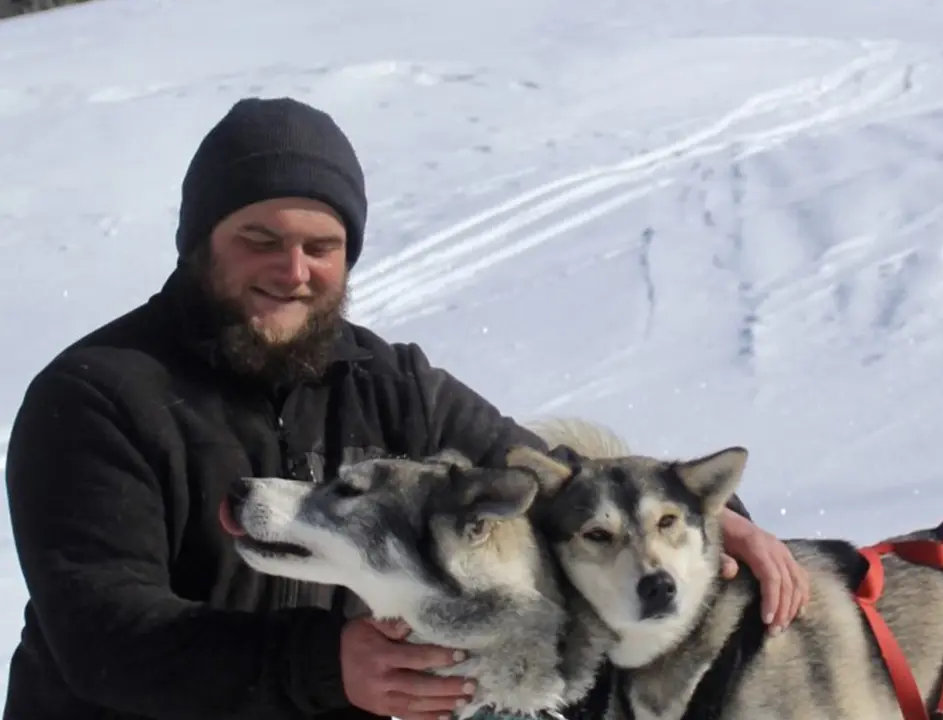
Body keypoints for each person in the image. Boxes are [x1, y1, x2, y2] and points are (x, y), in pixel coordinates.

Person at [1, 96, 810, 720]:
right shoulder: (98, 398)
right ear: (199, 241)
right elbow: (104, 634)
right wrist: (324, 666)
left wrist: (702, 517)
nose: (293, 269)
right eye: (259, 237)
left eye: (322, 246)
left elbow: (551, 478)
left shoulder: (385, 383)